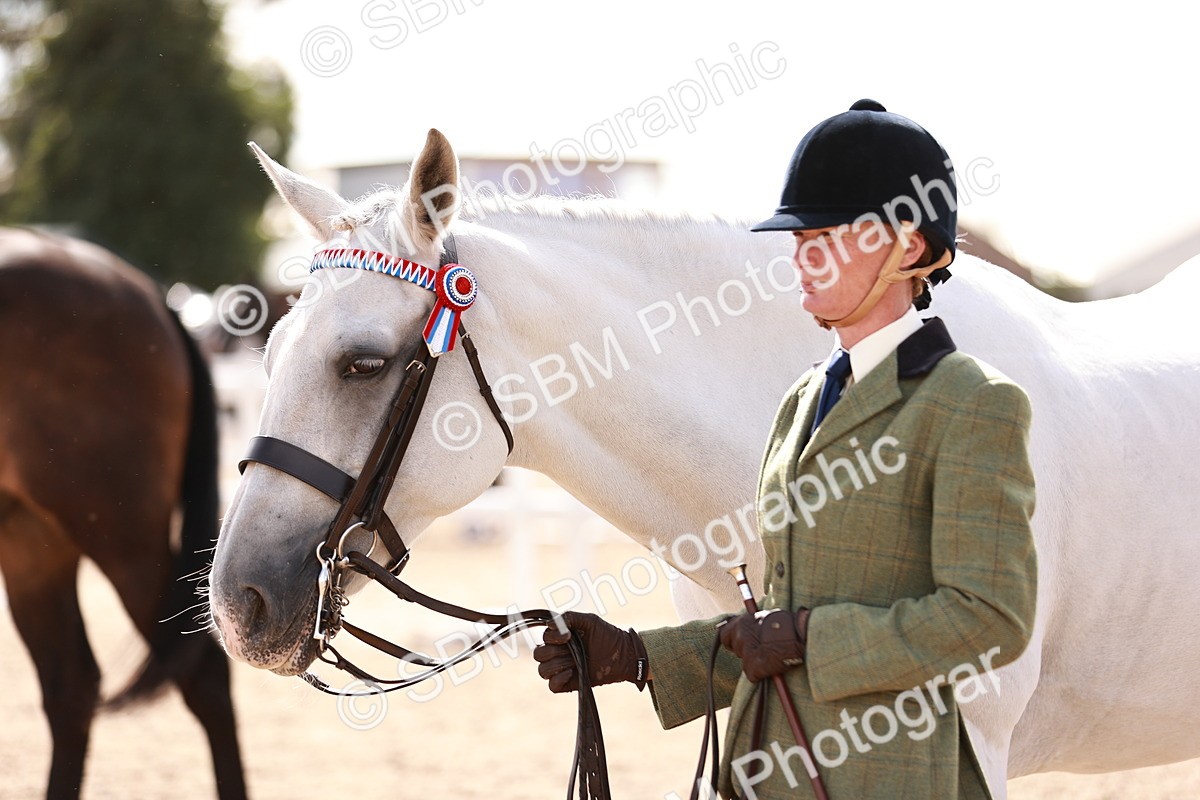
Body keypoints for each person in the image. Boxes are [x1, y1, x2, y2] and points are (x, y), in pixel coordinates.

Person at [533, 100, 1038, 799]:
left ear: (910, 248)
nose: (802, 254)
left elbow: (989, 619)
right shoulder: (801, 399)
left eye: (829, 236)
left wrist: (807, 638)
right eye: (801, 236)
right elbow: (780, 623)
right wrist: (636, 655)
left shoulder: (972, 404)